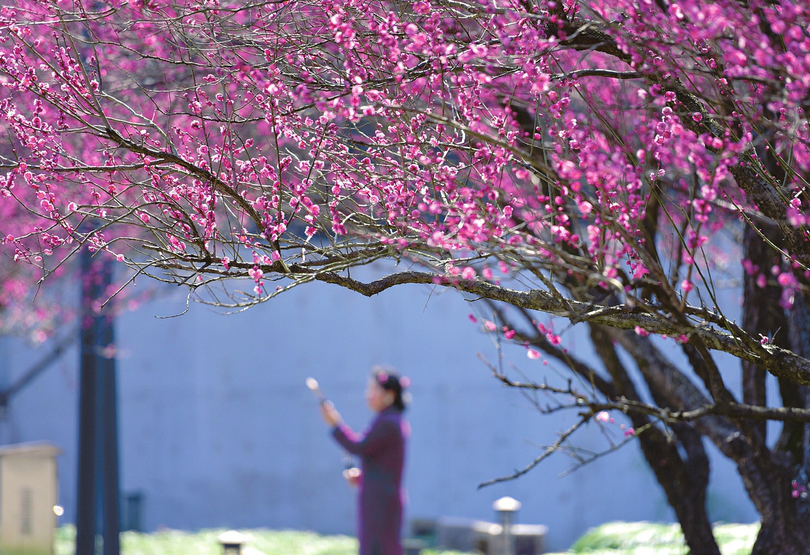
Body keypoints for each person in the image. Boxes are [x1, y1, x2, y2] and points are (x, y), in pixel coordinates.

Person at [320, 367, 410, 555]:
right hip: (381, 500)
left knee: (378, 549)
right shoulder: (390, 419)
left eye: (373, 389)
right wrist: (364, 478)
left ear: (390, 394)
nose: (368, 395)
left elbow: (359, 447)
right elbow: (385, 466)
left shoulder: (388, 422)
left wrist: (335, 424)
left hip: (380, 504)